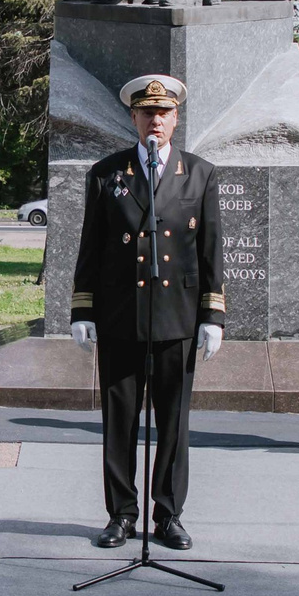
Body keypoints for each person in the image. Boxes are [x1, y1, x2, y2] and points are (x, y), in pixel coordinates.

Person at [69, 74, 225, 549]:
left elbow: (210, 251)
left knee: (174, 421)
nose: (155, 120)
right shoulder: (107, 173)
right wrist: (82, 309)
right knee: (120, 419)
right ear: (133, 118)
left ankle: (168, 513)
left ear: (176, 119)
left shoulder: (200, 174)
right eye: (147, 113)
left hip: (176, 317)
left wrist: (212, 316)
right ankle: (121, 513)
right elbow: (90, 248)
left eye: (164, 113)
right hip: (120, 315)